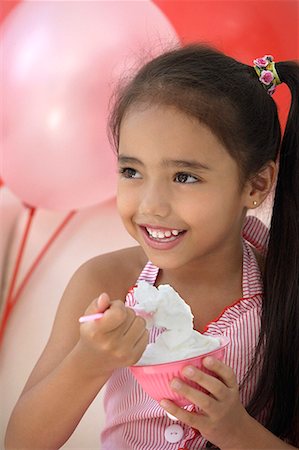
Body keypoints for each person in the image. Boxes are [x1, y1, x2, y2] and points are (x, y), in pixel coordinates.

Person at [5, 44, 299, 450]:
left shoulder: (283, 289)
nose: (151, 205)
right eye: (132, 171)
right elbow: (22, 441)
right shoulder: (104, 282)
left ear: (256, 184)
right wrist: (90, 361)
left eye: (184, 177)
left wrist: (233, 429)